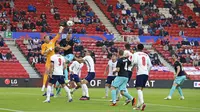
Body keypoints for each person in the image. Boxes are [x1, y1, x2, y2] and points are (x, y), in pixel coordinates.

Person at [41, 26, 64, 92]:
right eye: (47, 38)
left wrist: (60, 29)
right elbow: (43, 53)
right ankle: (43, 85)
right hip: (49, 60)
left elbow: (57, 36)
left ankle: (52, 89)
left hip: (55, 60)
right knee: (46, 72)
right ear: (44, 39)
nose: (48, 38)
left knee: (54, 74)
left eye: (48, 37)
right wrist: (47, 50)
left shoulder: (52, 41)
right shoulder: (43, 45)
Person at [131, 44, 152, 111]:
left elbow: (134, 62)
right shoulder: (146, 55)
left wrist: (132, 68)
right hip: (146, 73)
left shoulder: (136, 54)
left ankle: (142, 103)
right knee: (141, 90)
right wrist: (147, 71)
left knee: (138, 88)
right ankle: (138, 106)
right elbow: (150, 65)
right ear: (143, 48)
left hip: (140, 73)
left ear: (137, 48)